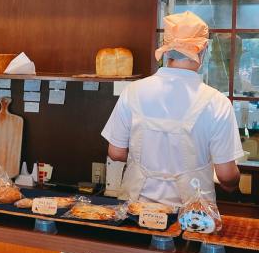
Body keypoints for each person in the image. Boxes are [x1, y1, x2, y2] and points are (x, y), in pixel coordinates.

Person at [102, 11, 243, 206]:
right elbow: (226, 175)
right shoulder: (217, 103)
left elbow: (116, 153)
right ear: (203, 49)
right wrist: (232, 184)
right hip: (191, 214)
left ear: (166, 48)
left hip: (135, 209)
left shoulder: (133, 92)